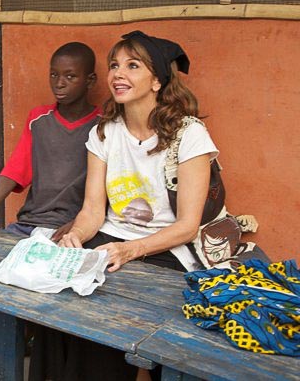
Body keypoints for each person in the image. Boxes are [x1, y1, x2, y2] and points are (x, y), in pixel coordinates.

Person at [41, 30, 219, 381]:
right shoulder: (105, 133)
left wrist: (130, 250)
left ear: (156, 81)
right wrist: (75, 235)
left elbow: (187, 226)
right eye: (114, 65)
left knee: (102, 316)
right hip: (109, 240)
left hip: (165, 248)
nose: (118, 75)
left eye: (132, 66)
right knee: (52, 305)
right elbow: (93, 211)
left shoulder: (189, 134)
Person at [0, 42, 99, 240]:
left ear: (90, 81)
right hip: (30, 222)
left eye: (70, 76)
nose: (59, 83)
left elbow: (108, 190)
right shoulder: (39, 120)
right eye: (54, 75)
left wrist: (80, 225)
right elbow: (15, 170)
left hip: (73, 228)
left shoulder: (103, 127)